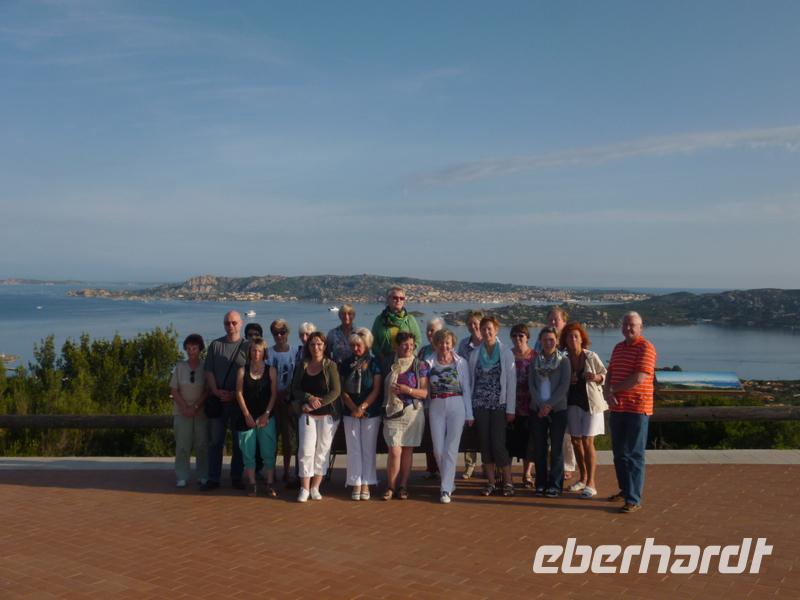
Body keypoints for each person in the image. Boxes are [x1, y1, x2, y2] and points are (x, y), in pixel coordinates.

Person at [604, 312, 656, 514]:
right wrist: (607, 392)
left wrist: (613, 389)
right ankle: (625, 490)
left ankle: (634, 499)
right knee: (619, 454)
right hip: (618, 407)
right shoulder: (618, 347)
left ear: (641, 327)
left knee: (634, 454)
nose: (628, 328)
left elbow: (639, 377)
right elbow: (610, 372)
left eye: (632, 325)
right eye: (625, 324)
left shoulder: (646, 347)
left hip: (637, 408)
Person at [467, 316, 516, 497]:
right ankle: (491, 483)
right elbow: (470, 382)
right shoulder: (475, 354)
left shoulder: (505, 353)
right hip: (479, 405)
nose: (486, 332)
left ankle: (508, 482)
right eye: (484, 329)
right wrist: (469, 410)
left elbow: (511, 383)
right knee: (485, 445)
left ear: (496, 330)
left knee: (498, 444)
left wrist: (510, 409)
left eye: (490, 328)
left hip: (499, 405)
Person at [292, 331, 341, 502]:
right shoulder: (303, 365)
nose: (316, 347)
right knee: (306, 450)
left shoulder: (330, 365)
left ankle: (315, 487)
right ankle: (304, 488)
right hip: (307, 414)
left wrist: (319, 403)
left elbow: (336, 391)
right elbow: (295, 389)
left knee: (322, 451)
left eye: (319, 344)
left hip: (327, 415)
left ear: (325, 346)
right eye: (312, 344)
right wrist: (308, 398)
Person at [561, 322, 607, 499]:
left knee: (588, 441)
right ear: (565, 340)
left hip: (591, 404)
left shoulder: (591, 356)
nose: (572, 339)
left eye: (576, 336)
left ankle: (591, 483)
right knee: (576, 441)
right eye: (569, 336)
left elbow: (605, 374)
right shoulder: (563, 359)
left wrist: (596, 377)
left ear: (582, 339)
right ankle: (583, 478)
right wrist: (568, 381)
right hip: (572, 404)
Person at [426, 329, 473, 503]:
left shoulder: (461, 362)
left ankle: (445, 489)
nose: (444, 346)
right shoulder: (428, 362)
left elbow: (466, 388)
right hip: (436, 405)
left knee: (451, 448)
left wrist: (469, 414)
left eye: (447, 342)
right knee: (438, 449)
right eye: (440, 342)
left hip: (456, 404)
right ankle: (449, 481)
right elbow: (425, 388)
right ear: (435, 344)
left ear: (452, 344)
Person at [203, 311, 248, 491]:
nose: (231, 326)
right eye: (227, 323)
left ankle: (237, 477)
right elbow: (209, 371)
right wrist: (215, 391)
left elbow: (252, 375)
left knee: (238, 443)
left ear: (241, 323)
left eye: (234, 323)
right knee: (215, 442)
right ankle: (213, 478)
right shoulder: (216, 345)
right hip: (218, 401)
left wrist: (235, 394)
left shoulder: (248, 347)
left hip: (238, 402)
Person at [381, 331, 429, 500]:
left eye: (411, 344)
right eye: (405, 344)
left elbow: (424, 393)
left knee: (407, 451)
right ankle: (390, 486)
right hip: (392, 411)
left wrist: (407, 390)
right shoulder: (389, 363)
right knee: (394, 451)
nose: (409, 347)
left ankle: (403, 486)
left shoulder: (420, 365)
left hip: (412, 411)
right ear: (397, 346)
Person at [339, 328, 383, 500]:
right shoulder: (345, 363)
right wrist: (353, 408)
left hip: (370, 411)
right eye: (352, 345)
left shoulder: (374, 363)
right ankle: (355, 482)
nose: (355, 348)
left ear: (366, 345)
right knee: (354, 449)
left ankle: (367, 482)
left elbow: (376, 389)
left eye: (358, 345)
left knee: (368, 449)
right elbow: (342, 389)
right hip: (350, 412)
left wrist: (362, 407)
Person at [535, 307, 577, 482]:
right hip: (543, 399)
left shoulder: (569, 342)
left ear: (564, 322)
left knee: (564, 436)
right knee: (544, 439)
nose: (553, 322)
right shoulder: (540, 343)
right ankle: (547, 469)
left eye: (556, 319)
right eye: (550, 319)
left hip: (564, 398)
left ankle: (566, 466)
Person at [529, 326, 571, 497]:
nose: (548, 342)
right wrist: (541, 405)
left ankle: (555, 484)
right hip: (538, 410)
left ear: (557, 341)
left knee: (556, 449)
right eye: (545, 339)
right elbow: (531, 385)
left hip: (558, 409)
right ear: (540, 341)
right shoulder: (534, 361)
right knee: (539, 448)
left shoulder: (564, 361)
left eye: (551, 339)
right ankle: (540, 483)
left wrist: (549, 405)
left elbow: (564, 386)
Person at [235, 337, 278, 497]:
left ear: (264, 352)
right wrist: (246, 415)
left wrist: (266, 414)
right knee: (248, 452)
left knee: (268, 451)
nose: (256, 353)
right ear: (249, 352)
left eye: (259, 350)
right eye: (253, 350)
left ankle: (270, 483)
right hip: (247, 417)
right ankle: (252, 483)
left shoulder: (271, 370)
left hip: (266, 417)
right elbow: (239, 393)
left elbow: (274, 394)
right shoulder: (242, 371)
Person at [169, 333, 208, 488]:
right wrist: (185, 407)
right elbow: (174, 389)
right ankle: (182, 476)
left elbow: (207, 390)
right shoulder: (179, 367)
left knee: (202, 445)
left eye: (194, 348)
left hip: (201, 412)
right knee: (182, 446)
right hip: (182, 412)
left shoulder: (205, 367)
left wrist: (196, 407)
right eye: (189, 348)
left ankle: (203, 475)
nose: (191, 351)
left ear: (200, 349)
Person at [269, 319, 299, 487]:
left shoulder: (295, 352)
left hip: (288, 402)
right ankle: (271, 471)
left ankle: (287, 471)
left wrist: (287, 393)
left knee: (288, 439)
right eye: (276, 333)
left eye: (282, 332)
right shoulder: (268, 353)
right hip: (272, 402)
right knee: (272, 439)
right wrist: (275, 394)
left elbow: (297, 376)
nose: (279, 336)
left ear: (287, 333)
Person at [507, 324, 535, 488]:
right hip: (511, 405)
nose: (517, 338)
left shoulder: (535, 356)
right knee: (509, 441)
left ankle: (527, 473)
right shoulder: (507, 355)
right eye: (514, 335)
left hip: (529, 404)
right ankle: (507, 475)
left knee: (528, 441)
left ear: (527, 337)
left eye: (521, 335)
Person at [457, 309, 483, 480]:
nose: (473, 326)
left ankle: (488, 463)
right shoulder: (463, 344)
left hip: (484, 393)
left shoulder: (490, 343)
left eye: (476, 323)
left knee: (484, 430)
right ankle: (469, 465)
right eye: (470, 324)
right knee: (469, 429)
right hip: (468, 392)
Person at [418, 317, 444, 479]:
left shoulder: (445, 349)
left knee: (441, 436)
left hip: (441, 399)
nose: (429, 333)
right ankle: (432, 469)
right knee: (429, 434)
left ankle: (443, 469)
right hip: (426, 400)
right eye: (428, 330)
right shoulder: (423, 351)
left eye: (433, 330)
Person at [371, 286, 422, 361]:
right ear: (388, 299)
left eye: (401, 298)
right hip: (384, 362)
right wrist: (383, 358)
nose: (398, 300)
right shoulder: (379, 320)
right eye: (395, 298)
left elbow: (417, 340)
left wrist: (408, 353)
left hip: (407, 362)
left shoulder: (410, 319)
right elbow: (373, 342)